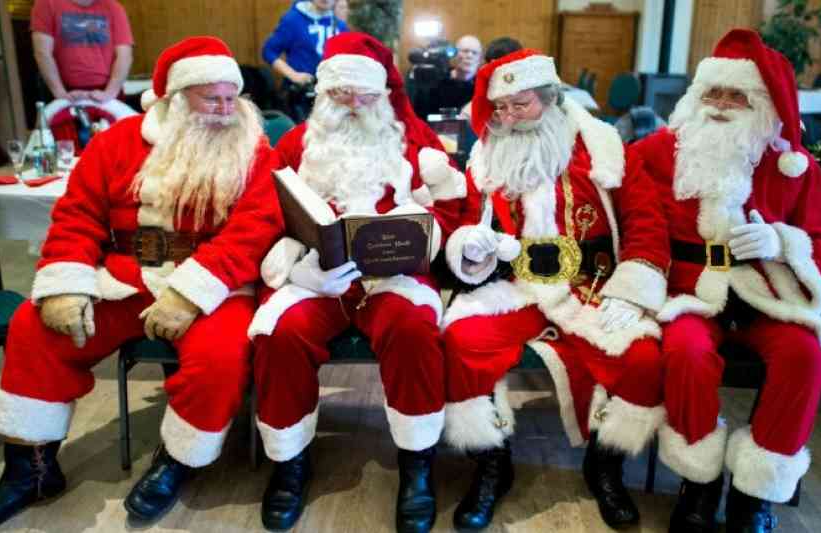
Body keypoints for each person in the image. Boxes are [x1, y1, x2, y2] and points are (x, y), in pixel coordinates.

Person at [0, 36, 281, 532]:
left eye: (231, 97)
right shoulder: (116, 143)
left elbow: (255, 228)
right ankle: (31, 470)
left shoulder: (253, 150)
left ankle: (176, 462)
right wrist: (65, 284)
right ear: (175, 100)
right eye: (211, 98)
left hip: (216, 284)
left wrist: (191, 292)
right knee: (34, 326)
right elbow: (77, 217)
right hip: (126, 276)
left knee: (221, 355)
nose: (225, 109)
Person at [440, 49, 671, 531]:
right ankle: (491, 464)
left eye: (519, 105)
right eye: (500, 108)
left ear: (552, 97)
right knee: (461, 340)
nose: (507, 118)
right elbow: (465, 222)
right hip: (515, 286)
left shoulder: (605, 148)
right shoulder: (486, 156)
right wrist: (472, 247)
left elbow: (645, 221)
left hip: (593, 286)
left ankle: (605, 466)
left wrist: (631, 291)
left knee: (643, 356)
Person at [247, 32, 468, 533]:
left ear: (383, 95)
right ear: (323, 95)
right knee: (280, 334)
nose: (351, 105)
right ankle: (289, 464)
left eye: (363, 95)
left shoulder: (416, 144)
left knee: (413, 328)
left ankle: (417, 468)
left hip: (396, 279)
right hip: (317, 277)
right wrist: (291, 266)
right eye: (340, 94)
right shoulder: (295, 144)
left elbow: (455, 209)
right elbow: (260, 215)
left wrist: (422, 236)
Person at [633, 29, 821, 533]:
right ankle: (698, 483)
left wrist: (783, 242)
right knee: (685, 353)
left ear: (764, 105)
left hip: (768, 294)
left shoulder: (794, 167)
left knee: (804, 357)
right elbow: (621, 212)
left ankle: (756, 494)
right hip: (688, 292)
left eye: (738, 96)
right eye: (713, 93)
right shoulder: (657, 153)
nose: (723, 105)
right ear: (695, 97)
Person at [31, 0, 133, 103]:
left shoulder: (114, 8)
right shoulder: (47, 3)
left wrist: (110, 93)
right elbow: (42, 53)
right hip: (63, 91)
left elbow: (124, 56)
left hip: (108, 92)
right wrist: (60, 93)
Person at [262, 0, 348, 121]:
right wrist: (293, 75)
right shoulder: (293, 20)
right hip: (300, 98)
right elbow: (269, 51)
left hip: (329, 96)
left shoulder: (339, 24)